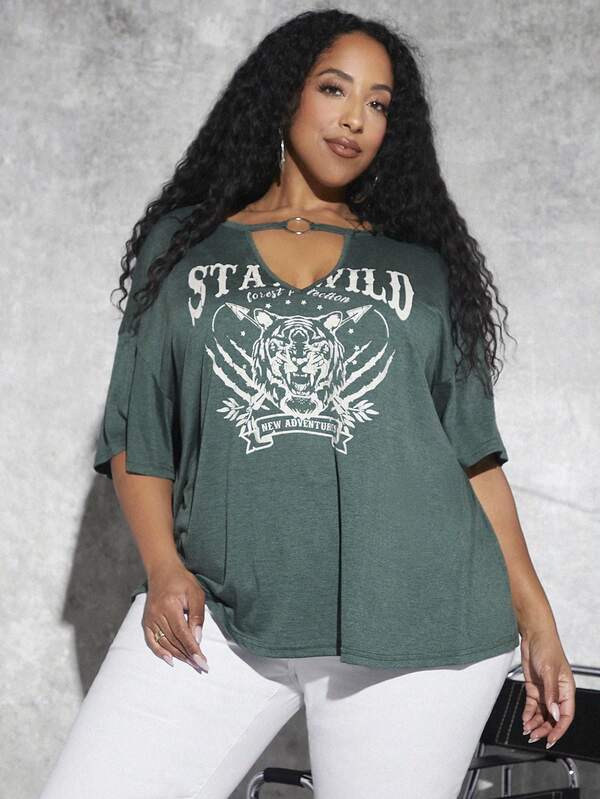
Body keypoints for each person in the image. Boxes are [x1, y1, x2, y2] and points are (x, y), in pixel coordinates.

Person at [39, 9, 576, 799]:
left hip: (416, 619)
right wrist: (163, 566)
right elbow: (138, 428)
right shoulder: (184, 245)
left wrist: (536, 615)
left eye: (379, 103)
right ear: (285, 94)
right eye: (334, 89)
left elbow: (471, 453)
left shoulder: (421, 264)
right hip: (222, 612)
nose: (356, 118)